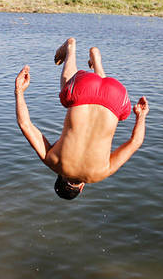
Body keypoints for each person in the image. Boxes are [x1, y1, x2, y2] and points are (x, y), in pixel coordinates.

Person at [14, 38, 149, 199]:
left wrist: (141, 116)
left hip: (116, 95)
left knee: (111, 107)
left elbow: (136, 142)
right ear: (60, 177)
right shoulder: (53, 162)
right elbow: (25, 124)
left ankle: (97, 60)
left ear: (82, 187)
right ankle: (71, 49)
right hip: (83, 87)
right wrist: (19, 91)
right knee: (67, 93)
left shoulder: (101, 173)